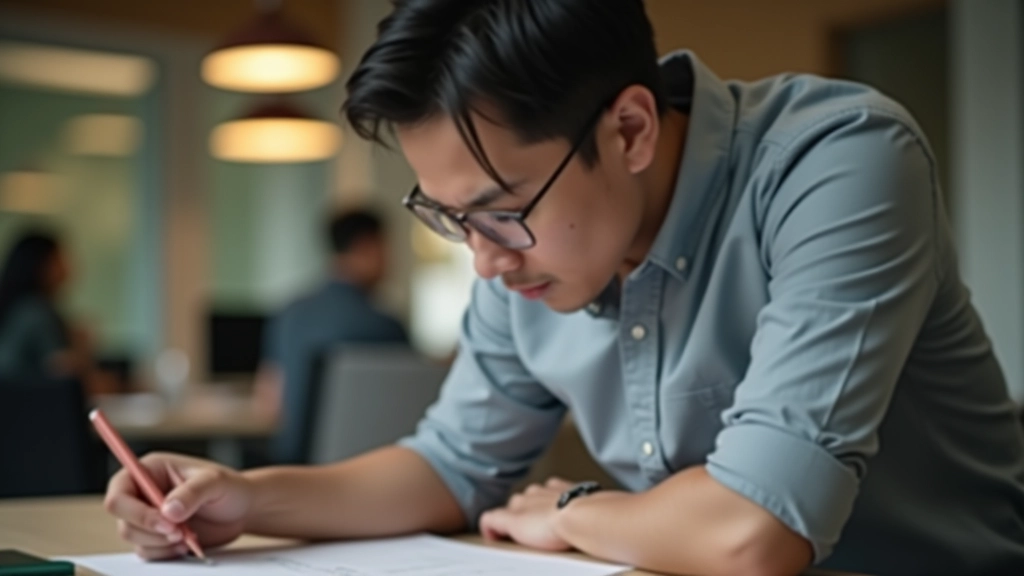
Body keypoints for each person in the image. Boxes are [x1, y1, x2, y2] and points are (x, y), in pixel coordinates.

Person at [102, 1, 1024, 574]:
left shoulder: (837, 161)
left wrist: (580, 513)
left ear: (630, 131)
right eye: (450, 217)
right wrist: (246, 500)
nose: (484, 261)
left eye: (500, 211)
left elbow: (752, 534)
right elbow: (454, 465)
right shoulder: (525, 249)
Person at [253, 208, 408, 464]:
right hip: (362, 468)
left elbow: (270, 402)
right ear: (367, 246)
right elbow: (404, 409)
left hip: (292, 465)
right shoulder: (383, 326)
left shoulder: (290, 313)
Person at [0, 230, 114, 395]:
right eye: (59, 259)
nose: (68, 267)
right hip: (25, 402)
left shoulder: (23, 307)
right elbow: (64, 370)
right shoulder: (34, 311)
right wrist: (82, 348)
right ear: (40, 265)